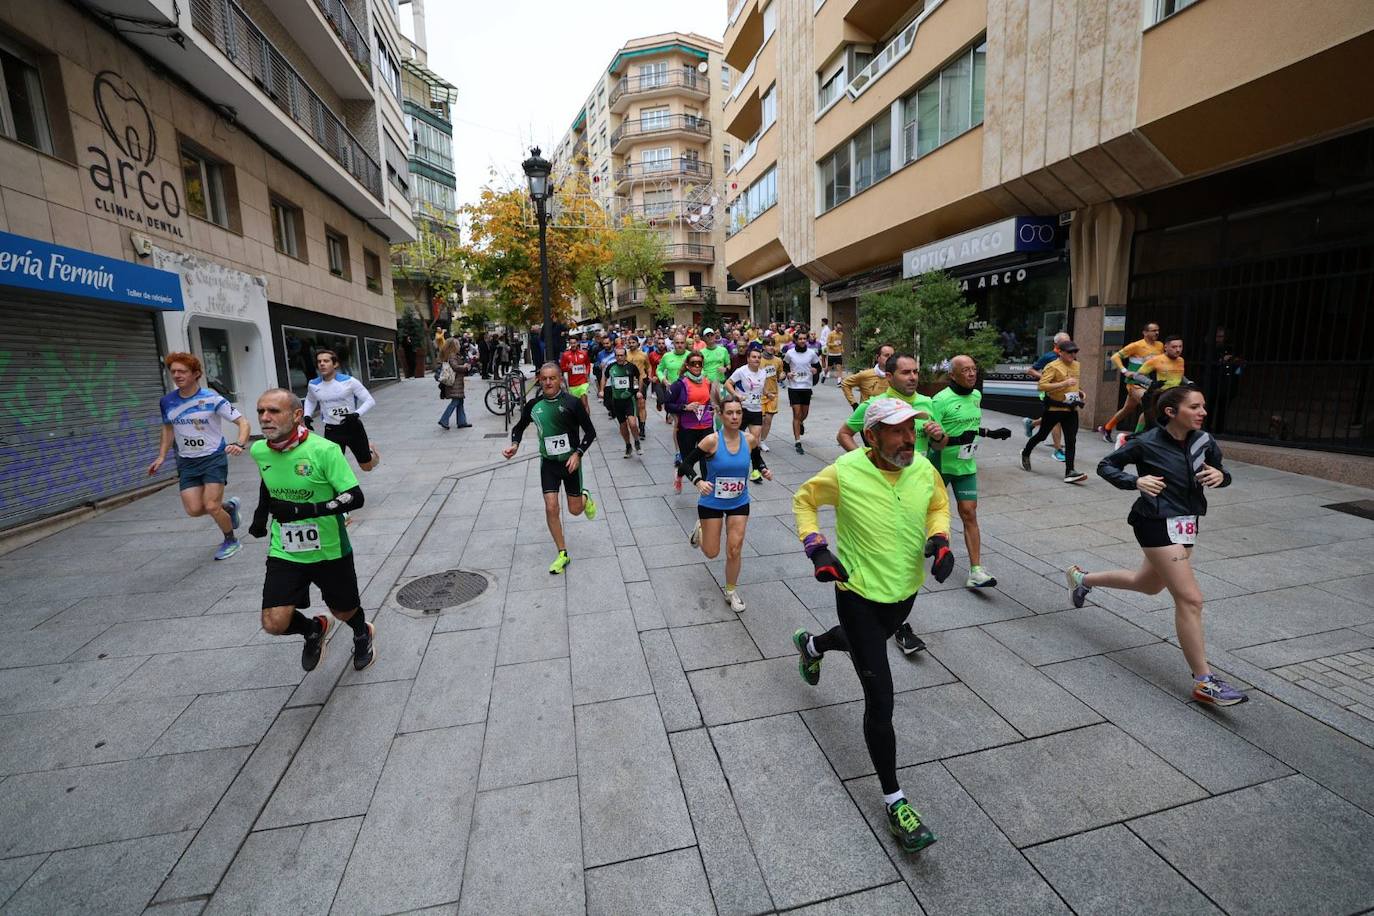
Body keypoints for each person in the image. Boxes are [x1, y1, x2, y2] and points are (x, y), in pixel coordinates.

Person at [791, 398, 952, 853]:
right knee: (880, 698)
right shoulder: (845, 471)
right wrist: (817, 548)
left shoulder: (923, 467)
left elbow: (939, 504)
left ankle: (813, 647)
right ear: (872, 435)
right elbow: (804, 500)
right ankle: (896, 802)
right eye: (897, 431)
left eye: (912, 430)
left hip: (904, 592)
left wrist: (940, 539)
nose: (908, 439)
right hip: (858, 594)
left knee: (868, 647)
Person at [1069, 386, 1246, 707]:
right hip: (1154, 522)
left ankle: (1082, 580)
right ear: (1171, 411)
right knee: (1190, 599)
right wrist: (1134, 481)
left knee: (1147, 584)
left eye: (1203, 406)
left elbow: (1223, 472)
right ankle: (1204, 681)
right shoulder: (1146, 442)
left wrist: (1221, 476)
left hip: (1186, 523)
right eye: (1195, 407)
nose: (1203, 412)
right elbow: (1106, 466)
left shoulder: (1205, 441)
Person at [248, 388, 374, 672]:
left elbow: (355, 497)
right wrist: (259, 516)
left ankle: (362, 630)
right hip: (286, 550)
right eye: (260, 411)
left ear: (296, 416)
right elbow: (268, 481)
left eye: (273, 411)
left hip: (329, 548)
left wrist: (303, 511)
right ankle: (313, 629)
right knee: (273, 623)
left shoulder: (324, 450)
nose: (265, 418)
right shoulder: (258, 450)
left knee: (343, 610)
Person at [149, 352, 251, 561]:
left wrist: (240, 443)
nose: (177, 375)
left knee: (211, 505)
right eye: (173, 371)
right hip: (186, 461)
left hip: (213, 457)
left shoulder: (212, 399)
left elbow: (243, 422)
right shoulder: (167, 401)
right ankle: (229, 507)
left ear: (196, 374)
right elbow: (168, 429)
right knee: (195, 509)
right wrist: (161, 456)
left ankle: (231, 540)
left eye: (182, 371)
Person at [678, 398, 772, 612]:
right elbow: (685, 464)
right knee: (711, 552)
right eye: (730, 413)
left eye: (738, 412)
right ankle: (700, 529)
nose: (735, 417)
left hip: (739, 501)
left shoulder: (749, 439)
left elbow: (756, 459)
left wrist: (764, 470)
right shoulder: (711, 441)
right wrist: (698, 481)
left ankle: (731, 591)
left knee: (734, 549)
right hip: (711, 501)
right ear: (721, 415)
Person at [504, 363, 599, 574]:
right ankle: (562, 553)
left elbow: (590, 432)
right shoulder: (533, 406)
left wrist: (578, 453)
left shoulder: (573, 403)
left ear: (560, 380)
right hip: (548, 464)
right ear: (539, 380)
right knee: (551, 507)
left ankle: (585, 497)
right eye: (544, 378)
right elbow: (518, 428)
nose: (548, 382)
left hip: (570, 463)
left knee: (575, 510)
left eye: (552, 378)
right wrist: (515, 445)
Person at [931, 356, 1012, 588]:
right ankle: (926, 542)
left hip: (965, 465)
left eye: (974, 369)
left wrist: (990, 433)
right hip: (940, 464)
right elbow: (932, 440)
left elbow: (969, 425)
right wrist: (956, 439)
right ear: (952, 375)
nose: (971, 374)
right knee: (929, 511)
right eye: (965, 370)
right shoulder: (940, 400)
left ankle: (976, 571)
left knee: (969, 513)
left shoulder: (976, 396)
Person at [1022, 340, 1087, 484]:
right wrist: (1064, 383)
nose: (1073, 354)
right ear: (1060, 352)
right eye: (1069, 352)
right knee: (1041, 435)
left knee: (1071, 440)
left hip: (1071, 409)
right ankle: (1026, 452)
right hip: (1054, 409)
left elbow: (1074, 384)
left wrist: (1080, 392)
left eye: (1075, 351)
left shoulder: (1076, 365)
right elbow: (1042, 386)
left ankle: (1070, 471)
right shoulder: (1052, 366)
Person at [303, 350, 380, 472]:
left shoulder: (349, 381)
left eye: (326, 361)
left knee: (366, 467)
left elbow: (369, 400)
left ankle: (370, 451)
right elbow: (310, 400)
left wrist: (356, 414)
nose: (322, 364)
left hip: (353, 428)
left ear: (335, 364)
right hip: (332, 430)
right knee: (333, 466)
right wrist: (307, 415)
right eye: (319, 361)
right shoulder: (313, 384)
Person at [665, 351, 719, 494]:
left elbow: (709, 402)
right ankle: (679, 474)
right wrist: (685, 407)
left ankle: (706, 493)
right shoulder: (679, 384)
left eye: (699, 363)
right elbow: (667, 405)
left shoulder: (707, 382)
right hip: (687, 427)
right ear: (687, 366)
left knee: (706, 459)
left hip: (706, 425)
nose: (696, 366)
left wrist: (712, 408)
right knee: (688, 461)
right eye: (693, 363)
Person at [1102, 322, 1163, 440]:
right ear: (1145, 332)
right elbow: (1115, 357)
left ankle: (1107, 427)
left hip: (1150, 382)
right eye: (1153, 330)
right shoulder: (1136, 345)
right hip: (1134, 383)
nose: (1156, 332)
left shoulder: (1160, 345)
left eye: (1158, 330)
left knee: (1127, 409)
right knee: (1150, 406)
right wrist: (1124, 371)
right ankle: (1135, 439)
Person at [1022, 332, 1070, 462]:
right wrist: (1046, 378)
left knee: (1053, 418)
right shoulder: (1049, 356)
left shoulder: (1070, 357)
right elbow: (1031, 370)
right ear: (1056, 344)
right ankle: (1058, 450)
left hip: (1064, 393)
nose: (1067, 345)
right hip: (1049, 393)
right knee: (1057, 419)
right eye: (1064, 343)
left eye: (1068, 342)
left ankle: (1031, 423)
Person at [726, 345, 769, 480]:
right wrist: (736, 395)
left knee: (754, 441)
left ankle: (755, 470)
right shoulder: (741, 371)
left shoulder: (763, 373)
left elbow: (762, 389)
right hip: (742, 410)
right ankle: (731, 463)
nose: (756, 359)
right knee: (734, 438)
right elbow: (727, 383)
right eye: (754, 357)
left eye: (758, 357)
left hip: (756, 409)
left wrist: (768, 394)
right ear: (748, 359)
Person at [1133, 335, 1187, 432]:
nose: (1178, 350)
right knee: (1149, 415)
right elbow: (1137, 375)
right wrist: (1152, 383)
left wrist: (1188, 382)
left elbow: (1179, 375)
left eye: (1180, 346)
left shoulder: (1181, 360)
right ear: (1166, 347)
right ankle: (1135, 436)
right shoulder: (1156, 360)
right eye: (1174, 347)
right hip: (1159, 395)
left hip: (1175, 396)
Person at [600, 346, 644, 458]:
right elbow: (604, 378)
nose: (619, 357)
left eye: (621, 355)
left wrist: (638, 391)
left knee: (633, 423)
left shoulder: (631, 367)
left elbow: (639, 378)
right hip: (617, 401)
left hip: (629, 400)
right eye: (617, 355)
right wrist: (601, 390)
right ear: (615, 356)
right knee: (623, 425)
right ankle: (628, 445)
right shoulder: (611, 367)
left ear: (625, 356)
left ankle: (637, 441)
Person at [783, 334, 822, 454]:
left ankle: (800, 423)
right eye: (800, 339)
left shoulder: (811, 353)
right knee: (797, 413)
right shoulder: (790, 353)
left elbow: (818, 367)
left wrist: (816, 370)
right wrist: (788, 373)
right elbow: (784, 366)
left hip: (806, 386)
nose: (802, 341)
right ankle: (797, 441)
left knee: (804, 413)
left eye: (804, 339)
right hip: (794, 387)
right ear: (795, 340)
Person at [437, 338, 471, 430]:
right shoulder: (452, 355)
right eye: (457, 344)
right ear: (453, 346)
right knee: (455, 401)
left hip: (457, 382)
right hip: (455, 383)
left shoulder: (453, 355)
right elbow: (455, 367)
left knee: (460, 401)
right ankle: (444, 419)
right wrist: (464, 367)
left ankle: (462, 422)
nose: (459, 345)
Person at [757, 338, 785, 453]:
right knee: (761, 419)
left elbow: (780, 375)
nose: (771, 347)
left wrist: (783, 376)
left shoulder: (778, 361)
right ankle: (756, 440)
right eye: (768, 345)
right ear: (763, 347)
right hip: (760, 394)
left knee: (768, 419)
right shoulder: (758, 359)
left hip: (773, 394)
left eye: (772, 345)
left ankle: (762, 441)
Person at [625, 336, 652, 440]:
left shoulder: (643, 355)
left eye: (633, 342)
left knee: (641, 405)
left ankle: (642, 428)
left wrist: (649, 375)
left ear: (638, 343)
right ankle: (632, 422)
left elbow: (648, 366)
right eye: (630, 342)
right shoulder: (625, 354)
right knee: (632, 405)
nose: (631, 344)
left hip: (641, 381)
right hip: (628, 382)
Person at [559, 336, 593, 415]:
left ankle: (587, 423)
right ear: (569, 344)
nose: (573, 345)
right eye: (571, 343)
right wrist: (568, 367)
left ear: (577, 343)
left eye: (574, 343)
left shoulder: (584, 353)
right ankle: (580, 421)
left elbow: (588, 364)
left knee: (584, 402)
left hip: (583, 382)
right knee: (576, 406)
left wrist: (587, 373)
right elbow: (562, 368)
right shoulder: (565, 355)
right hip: (573, 384)